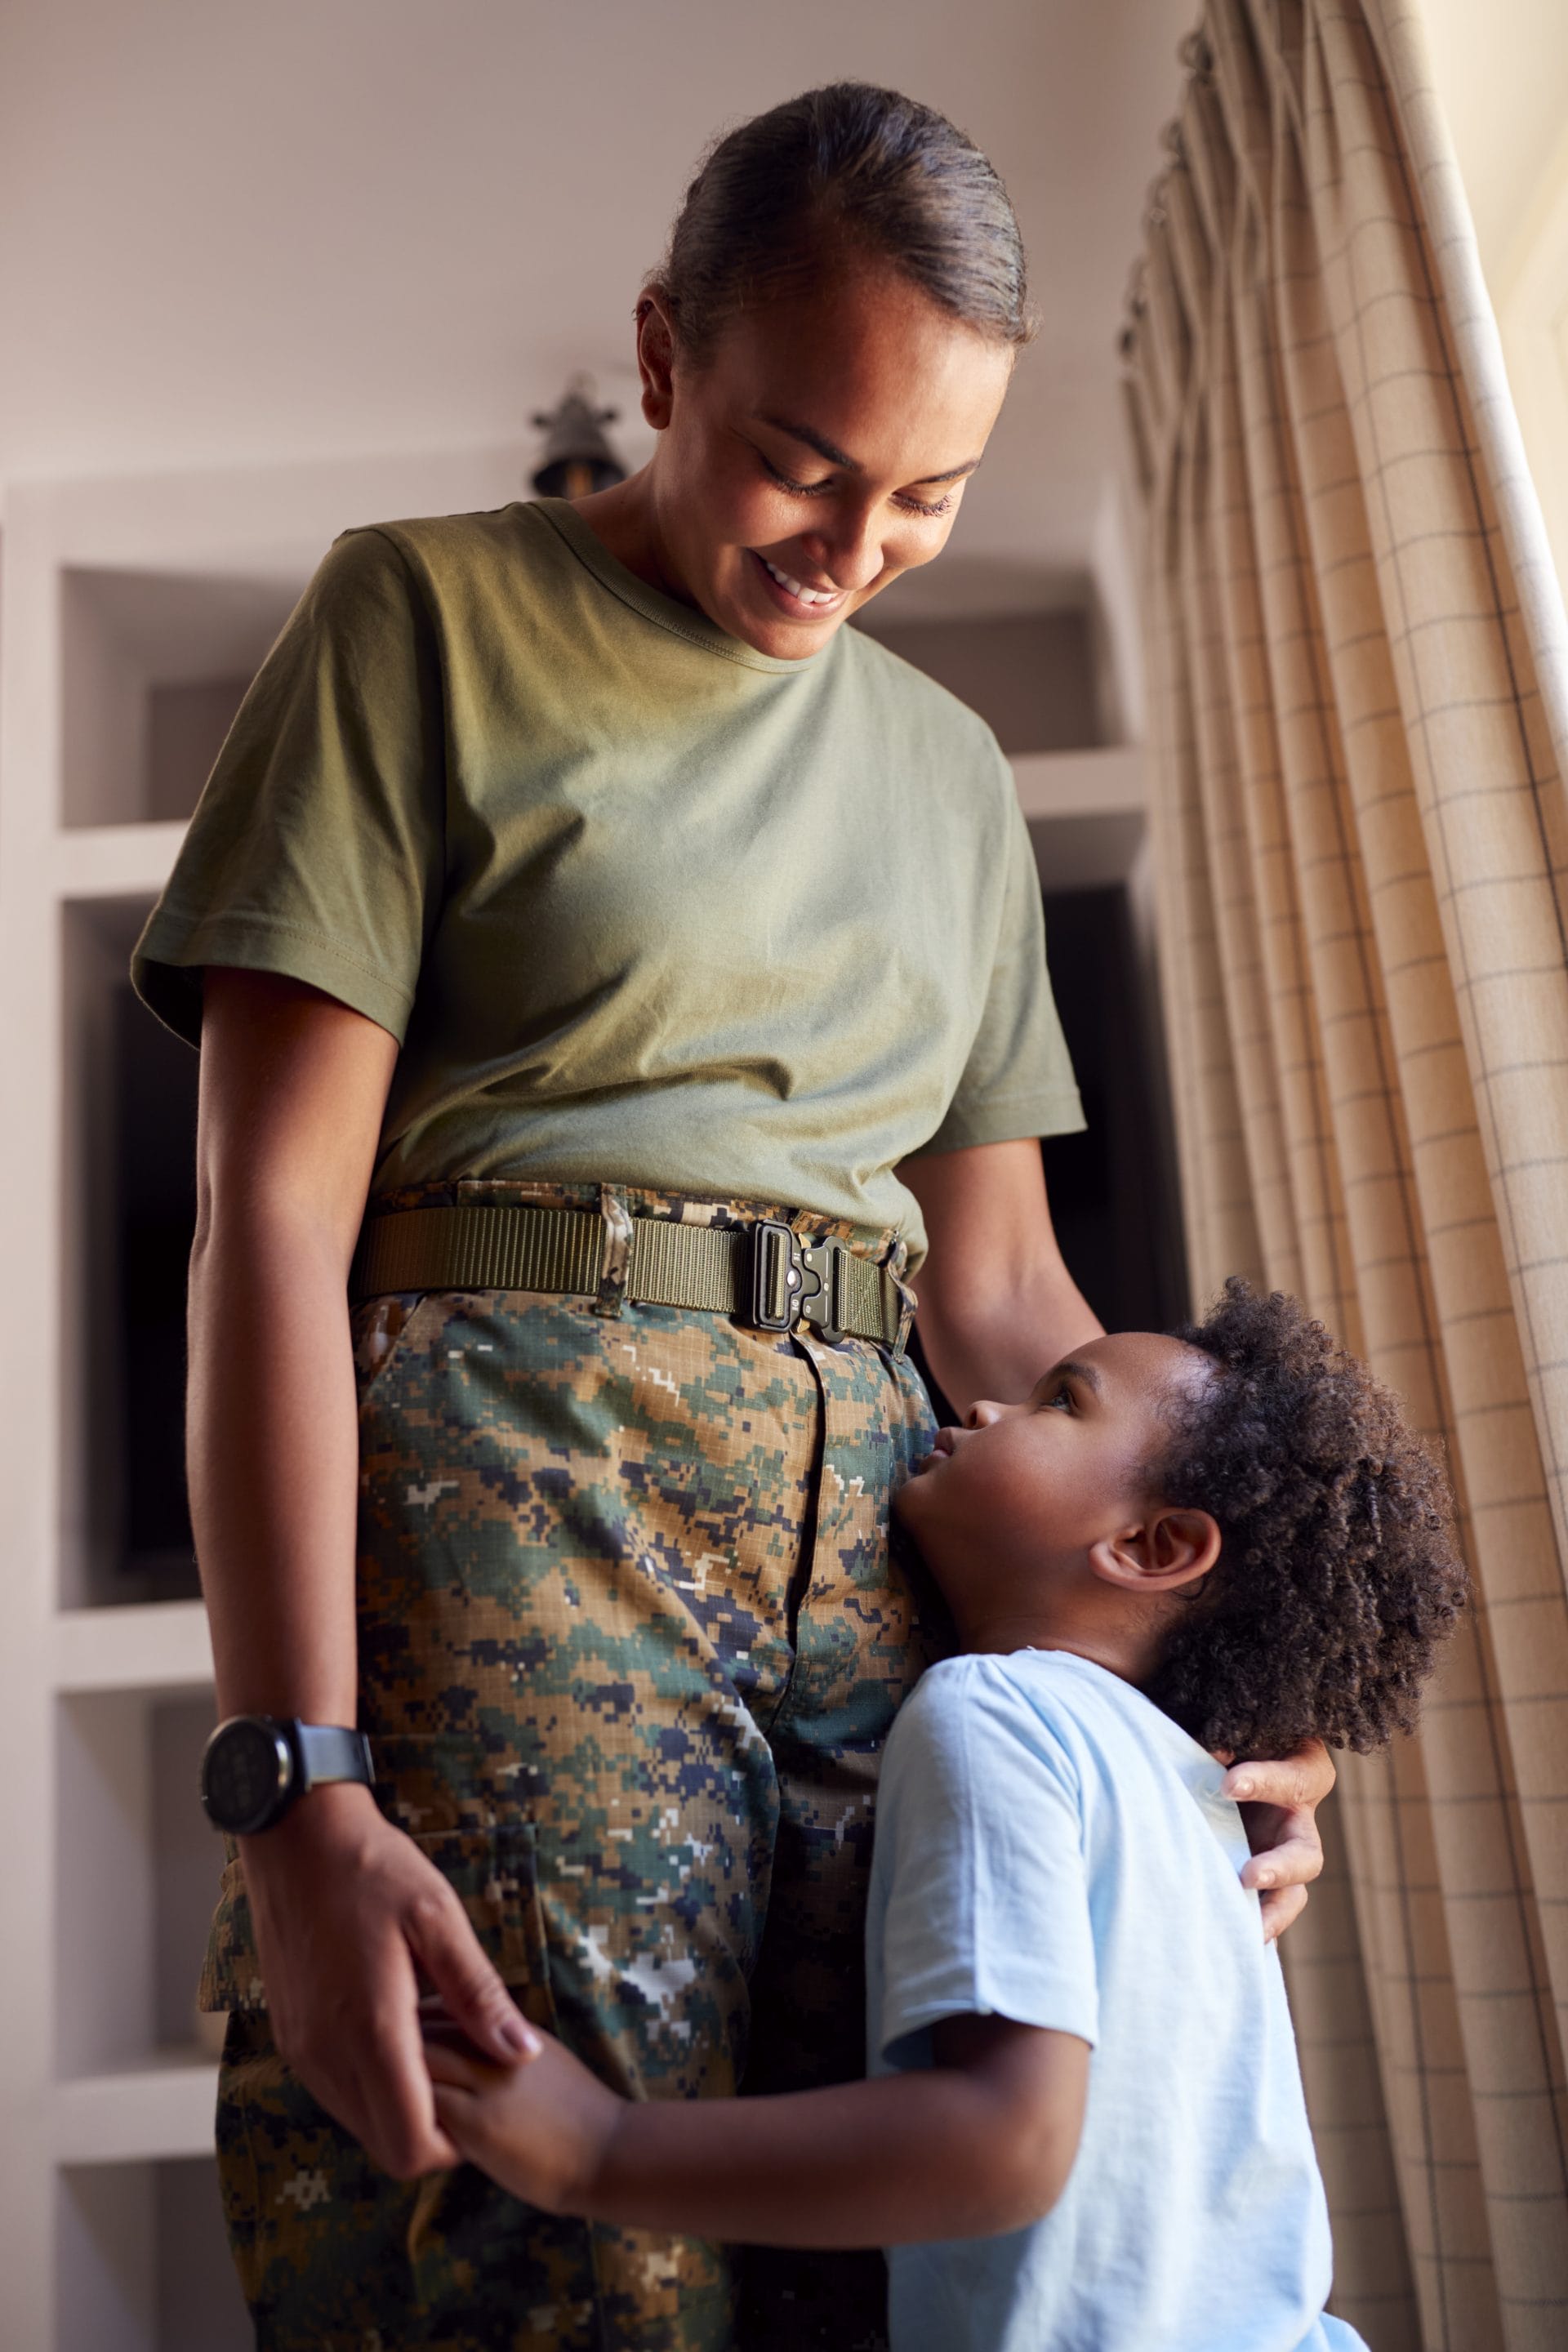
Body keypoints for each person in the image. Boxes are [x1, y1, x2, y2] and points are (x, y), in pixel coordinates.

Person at [131, 82, 1334, 2352]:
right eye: (802, 461)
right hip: (517, 1519)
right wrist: (293, 1782)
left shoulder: (954, 776)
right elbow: (269, 1227)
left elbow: (998, 1301)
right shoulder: (427, 617)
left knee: (838, 2267)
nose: (848, 548)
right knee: (534, 2250)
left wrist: (1237, 1688)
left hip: (882, 1592)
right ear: (666, 359)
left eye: (927, 502)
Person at [423, 1282, 1466, 2352]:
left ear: (1152, 1548)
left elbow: (1004, 2145)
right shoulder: (1191, 1789)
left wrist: (597, 2151)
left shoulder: (998, 1714)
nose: (984, 1409)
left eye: (1061, 1403)